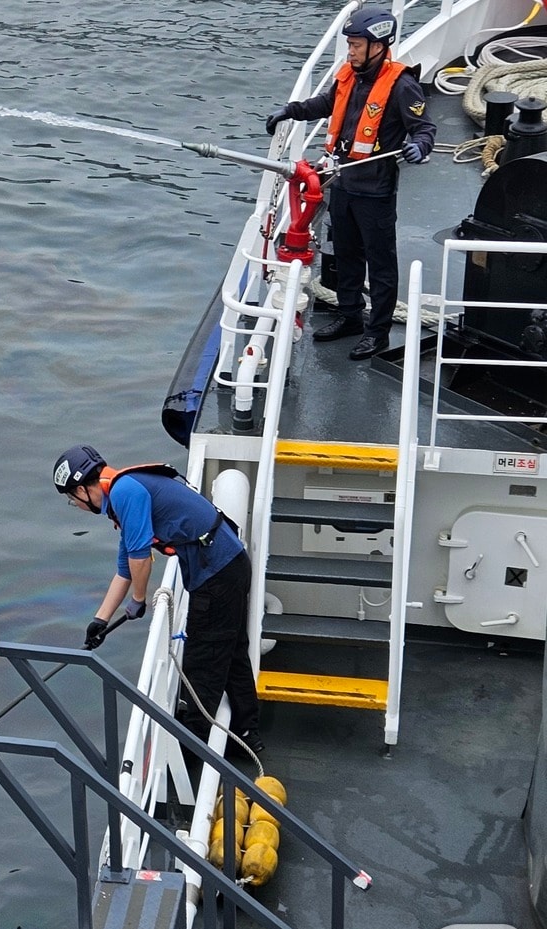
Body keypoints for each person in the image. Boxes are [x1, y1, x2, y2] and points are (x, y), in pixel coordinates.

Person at [52, 444, 263, 754]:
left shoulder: (125, 494)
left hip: (217, 575)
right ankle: (247, 732)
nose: (76, 505)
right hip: (228, 565)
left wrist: (139, 600)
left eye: (72, 499)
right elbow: (125, 569)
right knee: (231, 652)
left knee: (202, 661)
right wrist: (100, 621)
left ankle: (191, 748)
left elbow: (140, 558)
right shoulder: (124, 492)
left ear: (83, 489)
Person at [265, 8, 437, 362]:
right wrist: (291, 110)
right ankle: (350, 315)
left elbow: (424, 128)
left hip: (375, 190)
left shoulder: (402, 85)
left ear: (378, 46)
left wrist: (419, 147)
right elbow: (326, 104)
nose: (351, 51)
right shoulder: (349, 77)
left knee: (380, 262)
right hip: (342, 182)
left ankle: (377, 332)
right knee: (346, 253)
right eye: (350, 44)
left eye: (357, 45)